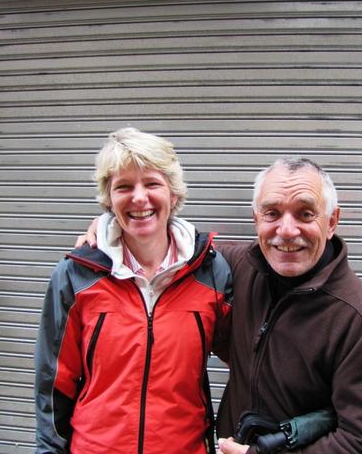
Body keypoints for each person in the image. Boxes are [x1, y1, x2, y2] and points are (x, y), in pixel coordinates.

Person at [77, 157, 362, 453]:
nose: (287, 230)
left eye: (305, 214)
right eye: (272, 213)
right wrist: (114, 230)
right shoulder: (235, 268)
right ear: (256, 218)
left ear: (332, 221)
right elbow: (172, 248)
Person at [34, 127, 232, 454]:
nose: (139, 198)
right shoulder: (76, 275)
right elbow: (54, 382)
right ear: (109, 199)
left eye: (152, 184)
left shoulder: (211, 272)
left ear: (173, 193)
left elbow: (248, 358)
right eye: (123, 186)